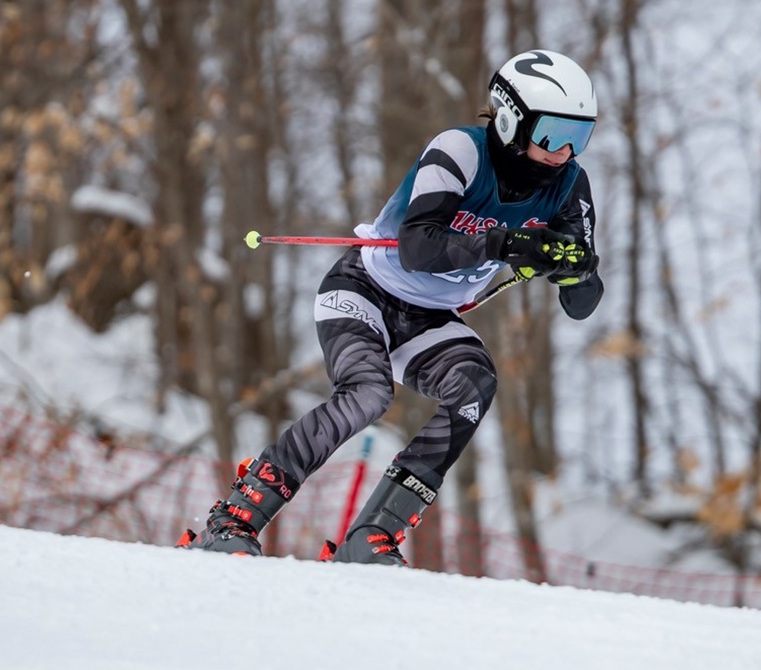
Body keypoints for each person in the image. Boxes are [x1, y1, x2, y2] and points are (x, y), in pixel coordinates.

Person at [178, 49, 604, 565]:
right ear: (513, 118)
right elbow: (418, 245)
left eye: (577, 137)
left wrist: (572, 267)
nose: (563, 152)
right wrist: (507, 244)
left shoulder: (568, 185)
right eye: (552, 133)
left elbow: (584, 302)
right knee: (368, 394)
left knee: (474, 386)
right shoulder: (461, 151)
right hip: (366, 290)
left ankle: (372, 536)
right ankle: (234, 519)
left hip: (428, 320)